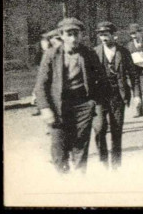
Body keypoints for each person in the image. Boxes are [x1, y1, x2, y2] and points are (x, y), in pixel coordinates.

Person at [34, 18, 107, 174]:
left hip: (82, 105)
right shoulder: (51, 55)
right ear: (62, 35)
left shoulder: (88, 53)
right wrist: (45, 108)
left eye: (76, 34)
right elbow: (41, 85)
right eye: (69, 34)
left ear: (81, 35)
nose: (73, 38)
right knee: (59, 147)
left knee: (80, 144)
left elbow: (102, 80)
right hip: (58, 106)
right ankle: (63, 178)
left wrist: (95, 103)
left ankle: (80, 180)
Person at [92, 21, 141, 170]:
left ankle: (116, 165)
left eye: (106, 35)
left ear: (114, 35)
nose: (103, 38)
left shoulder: (123, 52)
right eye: (101, 35)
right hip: (100, 96)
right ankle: (103, 161)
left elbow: (134, 76)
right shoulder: (94, 52)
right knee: (99, 128)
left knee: (116, 129)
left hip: (118, 95)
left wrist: (136, 95)